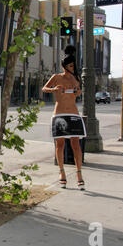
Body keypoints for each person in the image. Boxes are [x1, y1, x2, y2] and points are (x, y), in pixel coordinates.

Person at [42, 45, 86, 190]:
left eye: (73, 65)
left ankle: (79, 174)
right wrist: (54, 89)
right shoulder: (56, 77)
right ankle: (62, 173)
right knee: (60, 145)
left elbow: (78, 93)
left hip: (73, 113)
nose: (72, 68)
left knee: (76, 145)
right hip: (59, 113)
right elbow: (44, 88)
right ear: (65, 66)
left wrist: (78, 91)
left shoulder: (76, 79)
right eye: (70, 65)